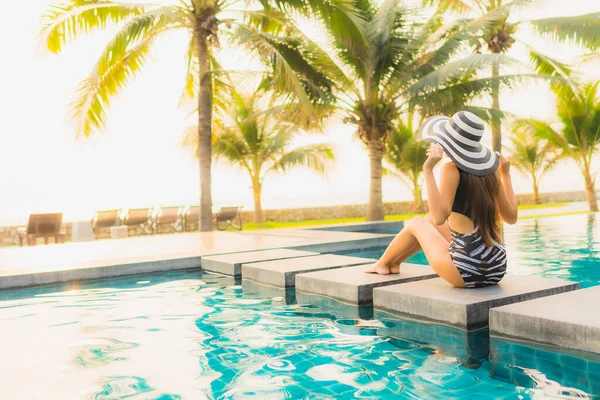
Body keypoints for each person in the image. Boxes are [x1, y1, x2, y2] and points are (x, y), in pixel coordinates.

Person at [365, 111, 518, 288]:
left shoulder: (451, 169)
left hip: (466, 272)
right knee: (428, 220)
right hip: (497, 270)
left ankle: (382, 264)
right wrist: (505, 174)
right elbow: (511, 217)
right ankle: (394, 263)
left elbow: (440, 217)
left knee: (416, 222)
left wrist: (428, 169)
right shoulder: (491, 173)